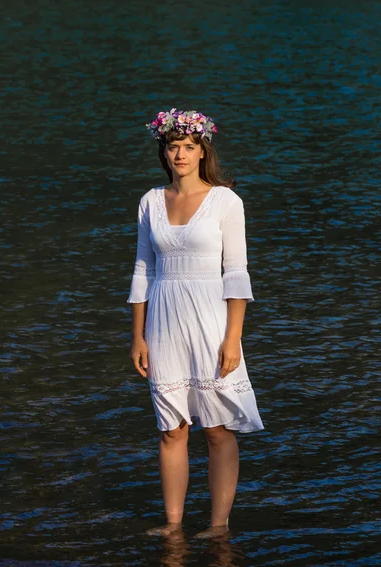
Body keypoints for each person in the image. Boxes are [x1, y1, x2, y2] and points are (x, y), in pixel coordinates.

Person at [127, 108, 264, 538]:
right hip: (164, 320)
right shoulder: (150, 201)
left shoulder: (226, 201)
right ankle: (173, 525)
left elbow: (237, 274)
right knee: (171, 429)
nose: (181, 154)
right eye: (173, 147)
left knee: (218, 429)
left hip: (211, 318)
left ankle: (219, 526)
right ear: (163, 153)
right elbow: (142, 271)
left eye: (189, 147)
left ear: (204, 152)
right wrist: (137, 336)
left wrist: (233, 338)